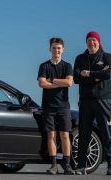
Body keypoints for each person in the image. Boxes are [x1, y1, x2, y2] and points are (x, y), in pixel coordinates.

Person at [73, 31, 111, 175]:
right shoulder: (80, 58)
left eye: (94, 40)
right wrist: (97, 75)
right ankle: (81, 166)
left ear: (99, 41)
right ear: (86, 42)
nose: (92, 43)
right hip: (85, 102)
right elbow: (76, 78)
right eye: (89, 40)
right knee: (83, 135)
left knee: (107, 134)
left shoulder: (107, 57)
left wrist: (89, 73)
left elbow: (108, 74)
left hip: (103, 101)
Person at [38, 37, 75, 175]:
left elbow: (69, 83)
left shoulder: (67, 66)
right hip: (48, 107)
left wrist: (52, 81)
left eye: (59, 48)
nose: (56, 50)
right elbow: (42, 83)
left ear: (63, 50)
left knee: (65, 135)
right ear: (50, 49)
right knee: (51, 135)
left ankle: (67, 166)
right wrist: (60, 82)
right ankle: (53, 165)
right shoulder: (44, 66)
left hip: (63, 106)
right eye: (54, 48)